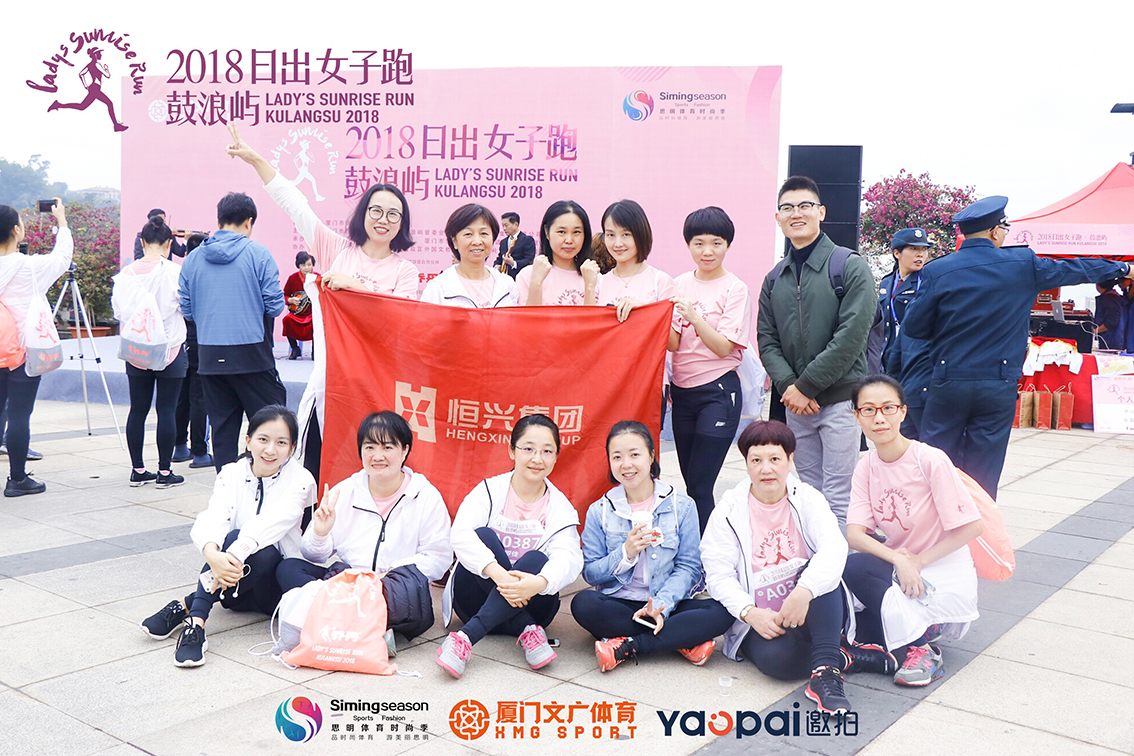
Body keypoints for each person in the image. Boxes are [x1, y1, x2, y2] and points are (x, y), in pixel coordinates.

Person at [903, 196, 1134, 497]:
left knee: (937, 465)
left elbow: (914, 328)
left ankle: (934, 522)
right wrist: (1122, 269)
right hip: (998, 383)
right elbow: (1075, 269)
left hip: (950, 380)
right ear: (994, 231)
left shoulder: (939, 270)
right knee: (983, 472)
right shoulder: (1022, 264)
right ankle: (981, 524)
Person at [701, 420, 896, 715]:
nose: (766, 469)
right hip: (764, 617)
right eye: (756, 460)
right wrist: (750, 612)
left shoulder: (808, 498)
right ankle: (844, 656)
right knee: (778, 662)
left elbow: (834, 547)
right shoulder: (728, 511)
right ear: (746, 464)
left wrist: (804, 591)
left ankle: (825, 674)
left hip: (813, 607)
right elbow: (717, 574)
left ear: (790, 460)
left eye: (775, 459)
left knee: (819, 572)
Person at [139, 406, 315, 667]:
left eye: (281, 443)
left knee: (262, 550)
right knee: (231, 537)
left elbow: (273, 522)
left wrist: (229, 557)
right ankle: (196, 625)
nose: (270, 450)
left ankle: (187, 606)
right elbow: (214, 516)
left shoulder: (300, 479)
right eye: (263, 439)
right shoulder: (232, 473)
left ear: (291, 449)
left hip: (272, 589)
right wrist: (212, 554)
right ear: (248, 440)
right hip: (234, 585)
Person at [843, 375, 984, 687]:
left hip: (942, 568)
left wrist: (917, 562)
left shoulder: (928, 459)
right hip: (902, 568)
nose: (879, 418)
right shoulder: (866, 467)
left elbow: (973, 526)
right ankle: (909, 635)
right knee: (853, 577)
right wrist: (899, 559)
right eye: (868, 410)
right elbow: (855, 534)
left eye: (888, 408)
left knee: (861, 581)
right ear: (857, 416)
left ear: (903, 412)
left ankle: (922, 649)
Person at [275, 411, 452, 649]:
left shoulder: (425, 496)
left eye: (387, 447)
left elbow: (439, 558)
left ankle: (337, 623)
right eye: (369, 447)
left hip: (392, 589)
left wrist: (386, 574)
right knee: (289, 569)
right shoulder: (345, 491)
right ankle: (367, 630)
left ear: (405, 451)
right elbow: (313, 555)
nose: (377, 456)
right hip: (349, 584)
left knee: (409, 595)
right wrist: (320, 533)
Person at [757, 176, 875, 526]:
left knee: (839, 495)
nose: (796, 214)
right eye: (788, 208)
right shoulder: (774, 279)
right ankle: (816, 556)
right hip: (797, 406)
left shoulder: (848, 265)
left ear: (821, 212)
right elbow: (767, 340)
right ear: (778, 217)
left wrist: (806, 386)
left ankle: (838, 562)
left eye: (805, 206)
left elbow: (852, 335)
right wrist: (790, 387)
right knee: (809, 492)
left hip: (839, 402)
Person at [573, 420, 734, 672]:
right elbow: (591, 573)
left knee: (722, 610)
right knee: (583, 604)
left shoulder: (682, 505)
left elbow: (689, 567)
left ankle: (629, 645)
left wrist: (661, 605)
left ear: (651, 456)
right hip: (621, 602)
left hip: (668, 602)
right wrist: (625, 554)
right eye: (617, 457)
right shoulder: (600, 510)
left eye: (634, 454)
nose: (626, 464)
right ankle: (680, 640)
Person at [438, 414, 582, 678]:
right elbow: (460, 534)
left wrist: (538, 583)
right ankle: (527, 630)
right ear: (512, 450)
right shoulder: (489, 490)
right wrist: (500, 575)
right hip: (474, 600)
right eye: (528, 449)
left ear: (556, 457)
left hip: (534, 602)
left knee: (537, 560)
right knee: (483, 535)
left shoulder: (560, 507)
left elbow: (569, 557)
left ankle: (465, 638)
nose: (537, 459)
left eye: (547, 451)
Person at [225, 123, 419, 297]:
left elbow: (396, 318)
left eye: (393, 214)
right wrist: (255, 160)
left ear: (402, 222)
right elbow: (295, 204)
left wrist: (356, 286)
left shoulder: (405, 271)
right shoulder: (337, 250)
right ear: (363, 214)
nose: (383, 220)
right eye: (376, 210)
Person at [178, 192, 287, 472]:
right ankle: (267, 486)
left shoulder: (192, 259)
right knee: (270, 430)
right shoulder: (259, 254)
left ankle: (227, 489)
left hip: (210, 357)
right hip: (253, 357)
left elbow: (187, 310)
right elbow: (275, 306)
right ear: (249, 222)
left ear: (219, 221)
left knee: (222, 431)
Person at [668, 206, 751, 532]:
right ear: (688, 244)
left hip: (718, 392)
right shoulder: (678, 284)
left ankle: (710, 552)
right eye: (699, 243)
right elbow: (673, 342)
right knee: (691, 485)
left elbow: (723, 347)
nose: (707, 251)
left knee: (701, 485)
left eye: (716, 243)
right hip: (682, 393)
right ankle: (700, 547)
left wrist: (695, 316)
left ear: (727, 244)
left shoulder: (735, 288)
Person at [0, 199, 72, 497]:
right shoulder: (29, 267)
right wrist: (62, 222)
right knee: (19, 415)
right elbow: (62, 258)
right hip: (23, 352)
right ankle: (17, 479)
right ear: (16, 231)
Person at [112, 216, 188, 489]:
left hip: (137, 350)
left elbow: (119, 312)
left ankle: (138, 470)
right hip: (170, 348)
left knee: (138, 410)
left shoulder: (125, 275)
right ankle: (164, 473)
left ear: (142, 243)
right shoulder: (175, 272)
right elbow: (187, 307)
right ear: (169, 244)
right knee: (167, 410)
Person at [879, 228, 933, 439]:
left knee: (916, 431)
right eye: (913, 249)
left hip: (915, 362)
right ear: (897, 253)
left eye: (924, 249)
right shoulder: (887, 282)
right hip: (889, 361)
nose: (921, 254)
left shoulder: (928, 281)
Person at [421, 204, 518, 308]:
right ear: (454, 241)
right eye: (468, 234)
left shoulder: (507, 285)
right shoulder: (438, 287)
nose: (477, 241)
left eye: (484, 233)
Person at [172, 234, 212, 469]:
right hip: (201, 341)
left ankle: (179, 447)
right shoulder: (207, 275)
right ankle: (200, 452)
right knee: (199, 397)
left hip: (179, 340)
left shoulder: (179, 273)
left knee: (181, 396)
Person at [599, 200, 676, 322]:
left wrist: (647, 310)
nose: (618, 243)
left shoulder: (660, 281)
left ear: (640, 234)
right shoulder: (599, 283)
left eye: (626, 234)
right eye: (611, 235)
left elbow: (673, 334)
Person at [515, 201, 601, 306]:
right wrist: (536, 283)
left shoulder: (594, 277)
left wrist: (589, 287)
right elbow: (527, 316)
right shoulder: (528, 275)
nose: (569, 240)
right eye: (561, 232)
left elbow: (594, 317)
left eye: (576, 232)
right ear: (547, 232)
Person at [47, 47, 127, 131]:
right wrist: (106, 69)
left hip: (93, 88)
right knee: (109, 103)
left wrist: (86, 85)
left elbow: (81, 74)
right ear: (95, 55)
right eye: (99, 53)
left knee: (82, 106)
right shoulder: (97, 64)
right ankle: (116, 126)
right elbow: (107, 75)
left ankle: (58, 105)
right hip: (95, 88)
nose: (101, 55)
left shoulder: (90, 65)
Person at [282, 251, 317, 359]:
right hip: (297, 314)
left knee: (318, 322)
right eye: (303, 265)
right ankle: (295, 348)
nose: (307, 268)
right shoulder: (292, 278)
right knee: (287, 320)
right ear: (298, 266)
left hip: (313, 313)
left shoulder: (318, 278)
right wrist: (290, 300)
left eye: (309, 264)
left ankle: (315, 350)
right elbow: (284, 295)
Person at [493, 212, 536, 279]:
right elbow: (500, 258)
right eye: (503, 226)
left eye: (506, 225)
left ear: (516, 224)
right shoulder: (503, 242)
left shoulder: (527, 240)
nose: (504, 228)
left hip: (520, 278)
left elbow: (529, 260)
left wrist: (513, 263)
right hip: (504, 278)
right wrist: (496, 265)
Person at [1094, 279, 1127, 351]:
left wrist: (1094, 331)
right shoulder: (1115, 297)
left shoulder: (1109, 299)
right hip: (1116, 340)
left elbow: (1112, 322)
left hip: (1110, 341)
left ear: (1097, 285)